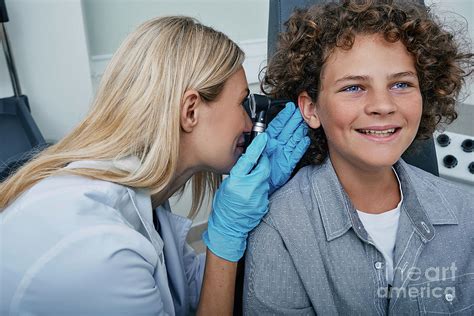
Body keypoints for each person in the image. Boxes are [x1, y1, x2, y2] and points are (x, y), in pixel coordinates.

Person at [0, 16, 310, 315]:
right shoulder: (96, 248)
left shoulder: (147, 199)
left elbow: (192, 291)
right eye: (244, 103)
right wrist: (226, 233)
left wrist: (252, 211)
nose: (250, 121)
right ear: (190, 111)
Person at [244, 0, 474, 314]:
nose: (382, 105)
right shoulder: (281, 231)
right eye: (354, 87)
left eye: (401, 84)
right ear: (311, 108)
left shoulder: (466, 214)